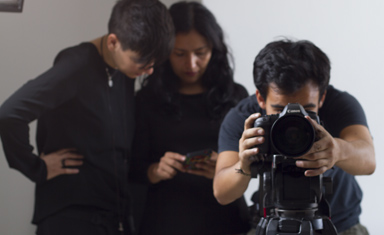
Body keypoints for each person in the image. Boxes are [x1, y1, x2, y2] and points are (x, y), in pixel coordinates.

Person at [0, 0, 174, 234]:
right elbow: (10, 114)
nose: (149, 70)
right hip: (73, 218)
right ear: (113, 42)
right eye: (142, 61)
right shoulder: (77, 65)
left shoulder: (124, 69)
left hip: (113, 216)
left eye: (154, 62)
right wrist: (37, 168)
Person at [213, 39, 376, 235]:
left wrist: (338, 150)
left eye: (307, 110)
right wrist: (243, 165)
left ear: (322, 97)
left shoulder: (339, 104)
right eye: (279, 110)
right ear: (260, 98)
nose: (293, 120)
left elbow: (369, 161)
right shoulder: (246, 117)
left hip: (339, 224)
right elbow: (222, 193)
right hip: (272, 222)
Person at [131, 2, 251, 234]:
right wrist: (155, 170)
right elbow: (130, 167)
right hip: (166, 218)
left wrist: (227, 167)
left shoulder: (235, 95)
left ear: (214, 50)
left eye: (201, 53)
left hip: (226, 217)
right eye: (180, 54)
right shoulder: (146, 100)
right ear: (165, 52)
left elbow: (255, 163)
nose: (191, 64)